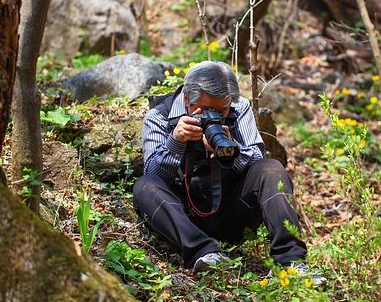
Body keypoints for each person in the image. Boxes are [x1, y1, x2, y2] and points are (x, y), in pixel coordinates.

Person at [133, 61, 325, 285]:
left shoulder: (238, 107)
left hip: (231, 213)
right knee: (144, 186)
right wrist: (176, 142)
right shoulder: (158, 116)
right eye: (205, 110)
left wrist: (231, 151)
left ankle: (290, 262)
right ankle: (204, 252)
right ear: (187, 98)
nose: (215, 115)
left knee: (271, 169)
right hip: (183, 219)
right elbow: (154, 175)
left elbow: (256, 161)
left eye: (222, 110)